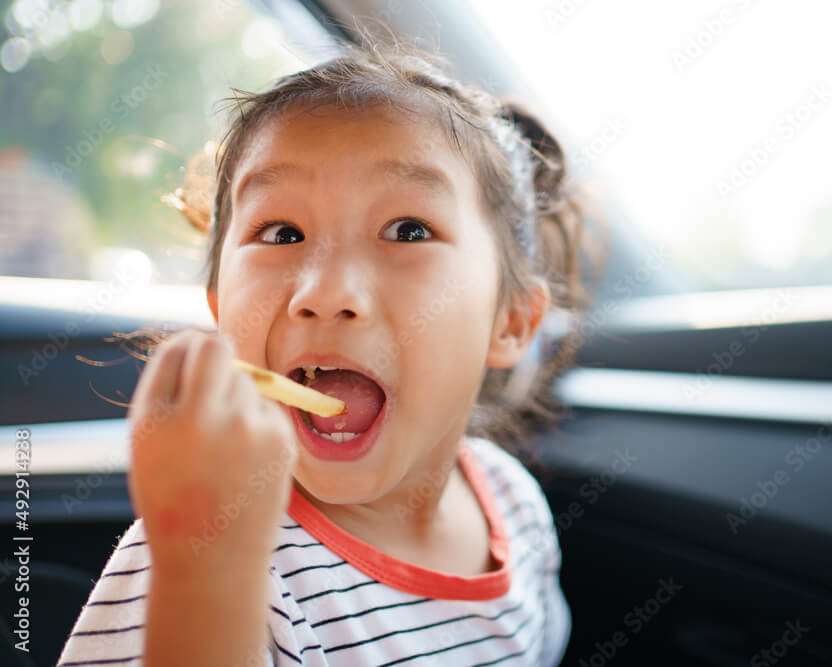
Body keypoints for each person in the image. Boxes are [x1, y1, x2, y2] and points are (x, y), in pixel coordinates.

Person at [57, 36, 603, 666]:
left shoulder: (514, 504)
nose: (326, 292)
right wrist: (206, 574)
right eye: (282, 233)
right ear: (218, 306)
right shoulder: (189, 553)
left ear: (509, 321)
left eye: (408, 231)